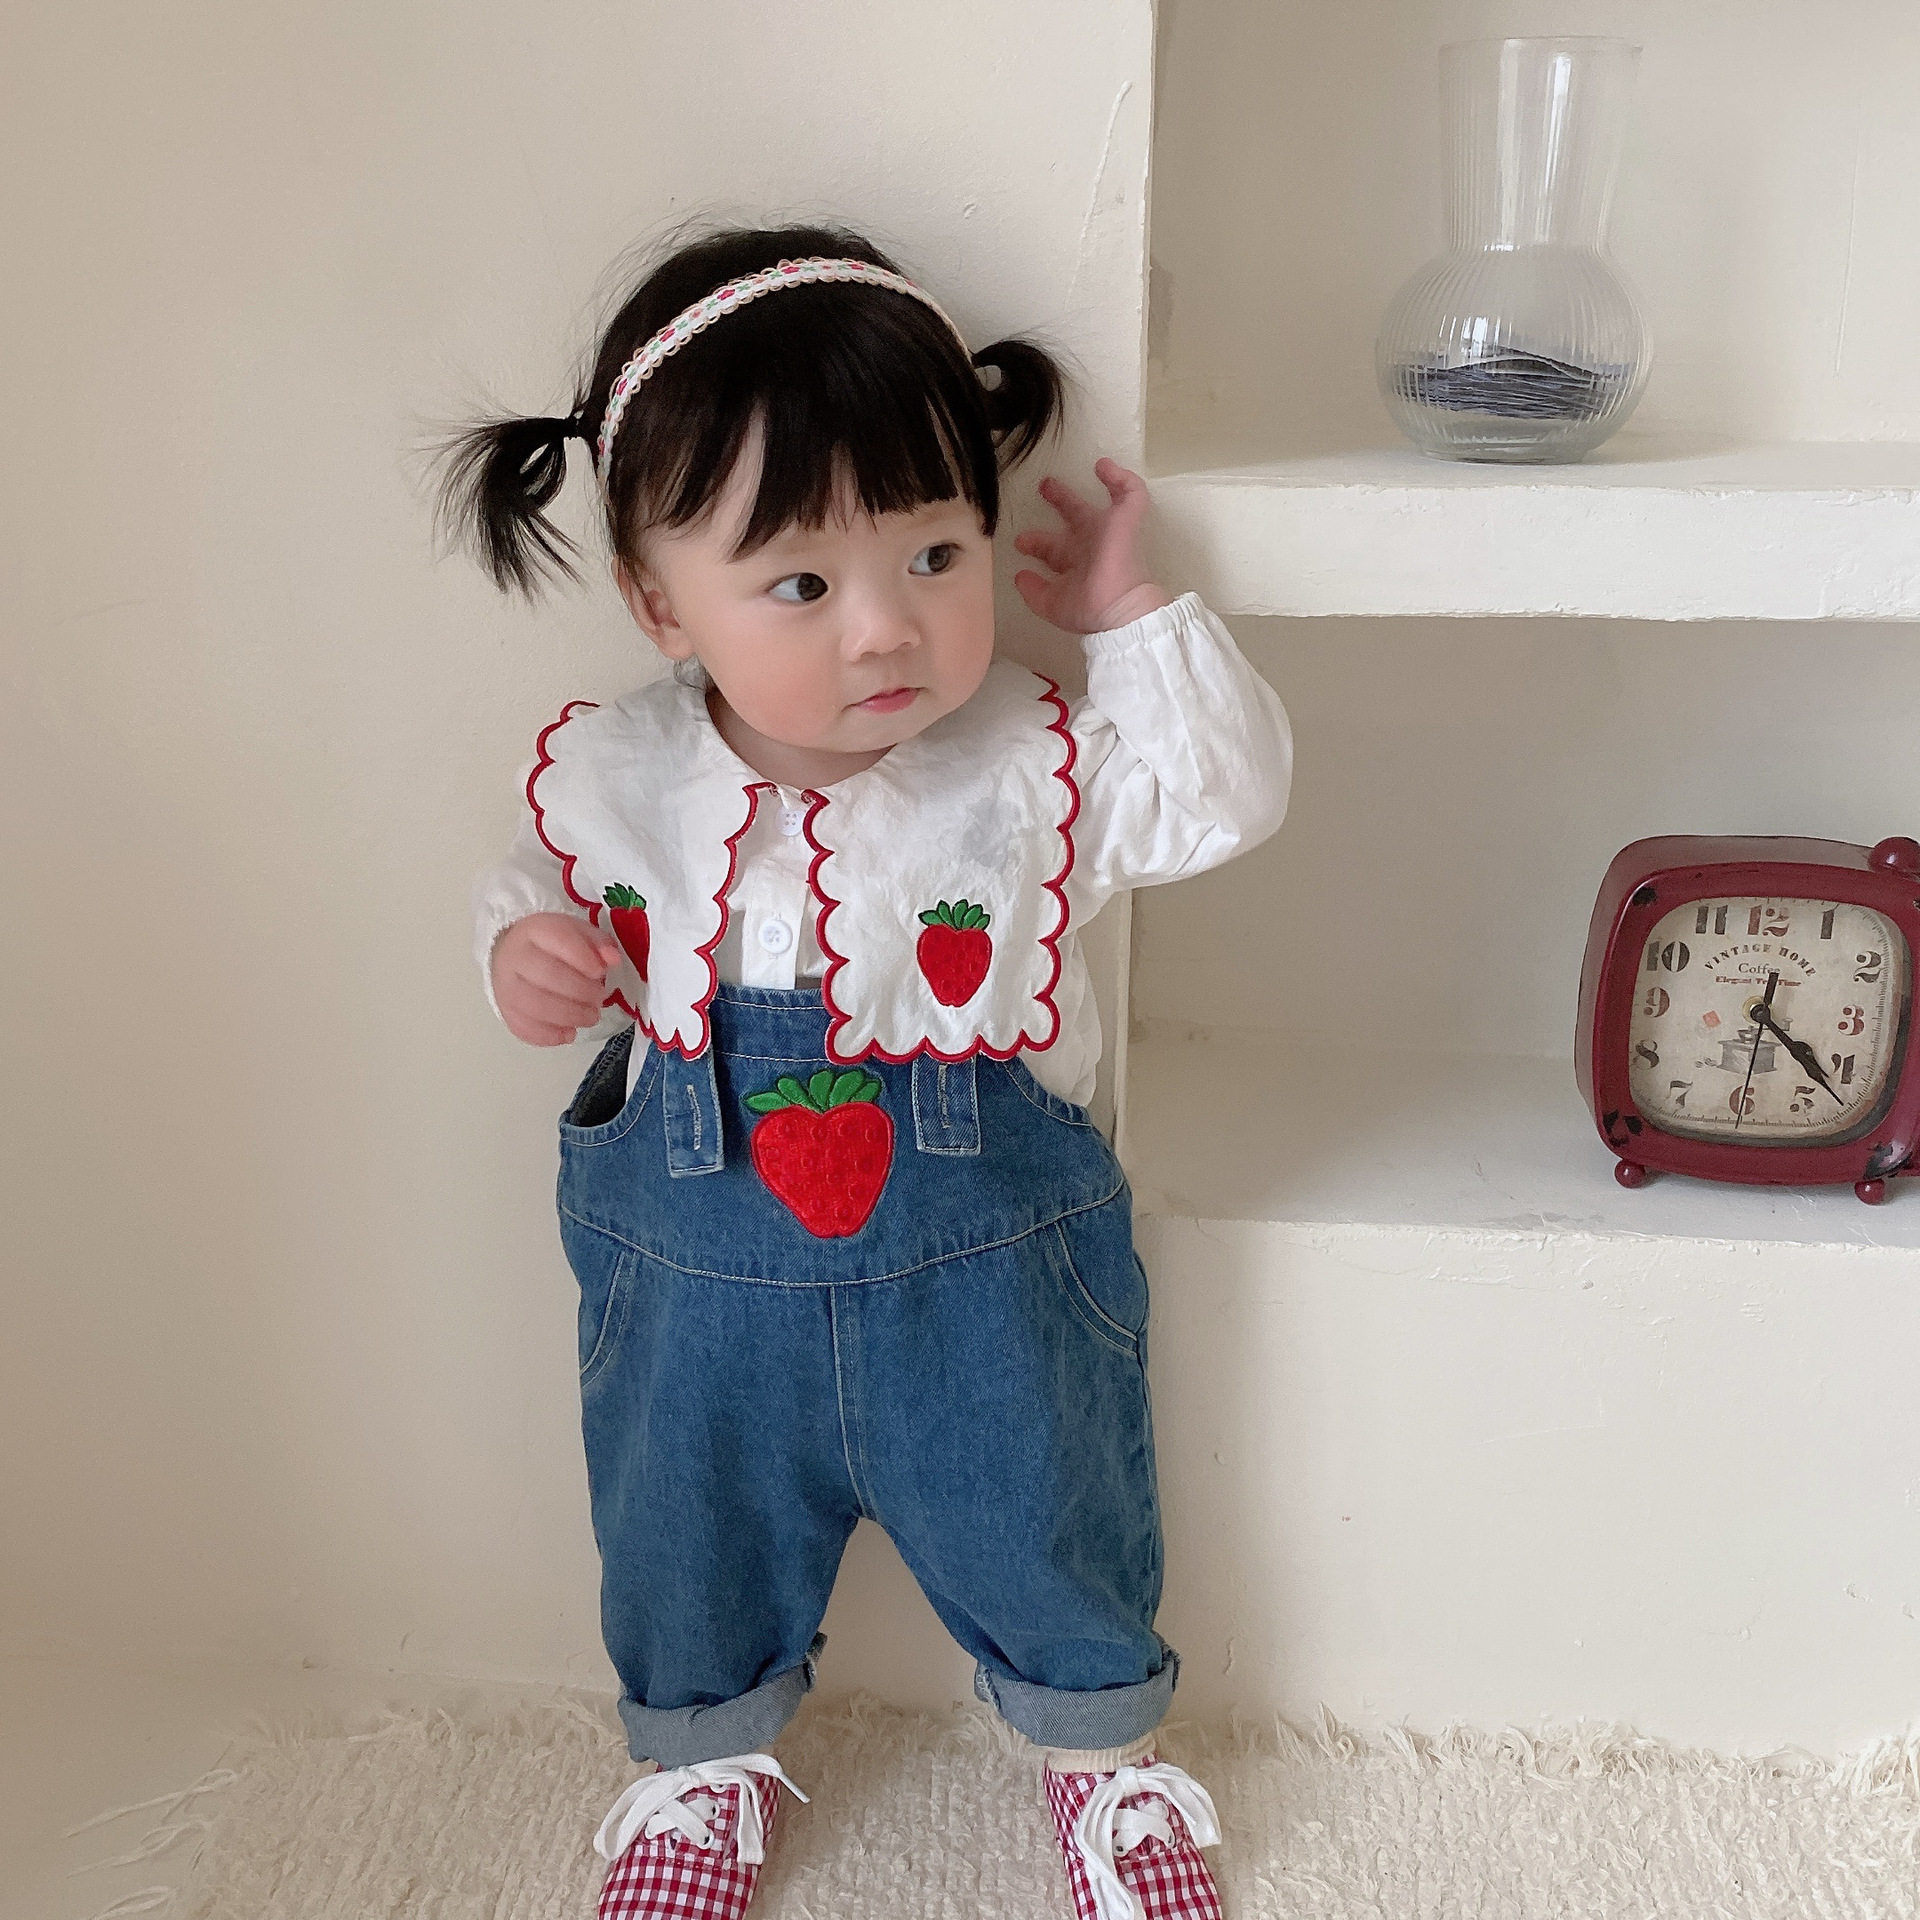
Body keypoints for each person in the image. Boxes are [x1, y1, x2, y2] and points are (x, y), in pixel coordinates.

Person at [442, 223, 1292, 1920]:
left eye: (935, 551)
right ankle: (701, 1768)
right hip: (697, 1300)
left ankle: (1101, 1762)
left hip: (989, 1289)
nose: (888, 630)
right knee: (683, 1528)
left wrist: (1131, 623)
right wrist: (521, 955)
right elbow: (536, 896)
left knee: (1048, 1505)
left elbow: (1224, 799)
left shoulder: (1029, 770)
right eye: (803, 586)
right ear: (658, 602)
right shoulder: (617, 779)